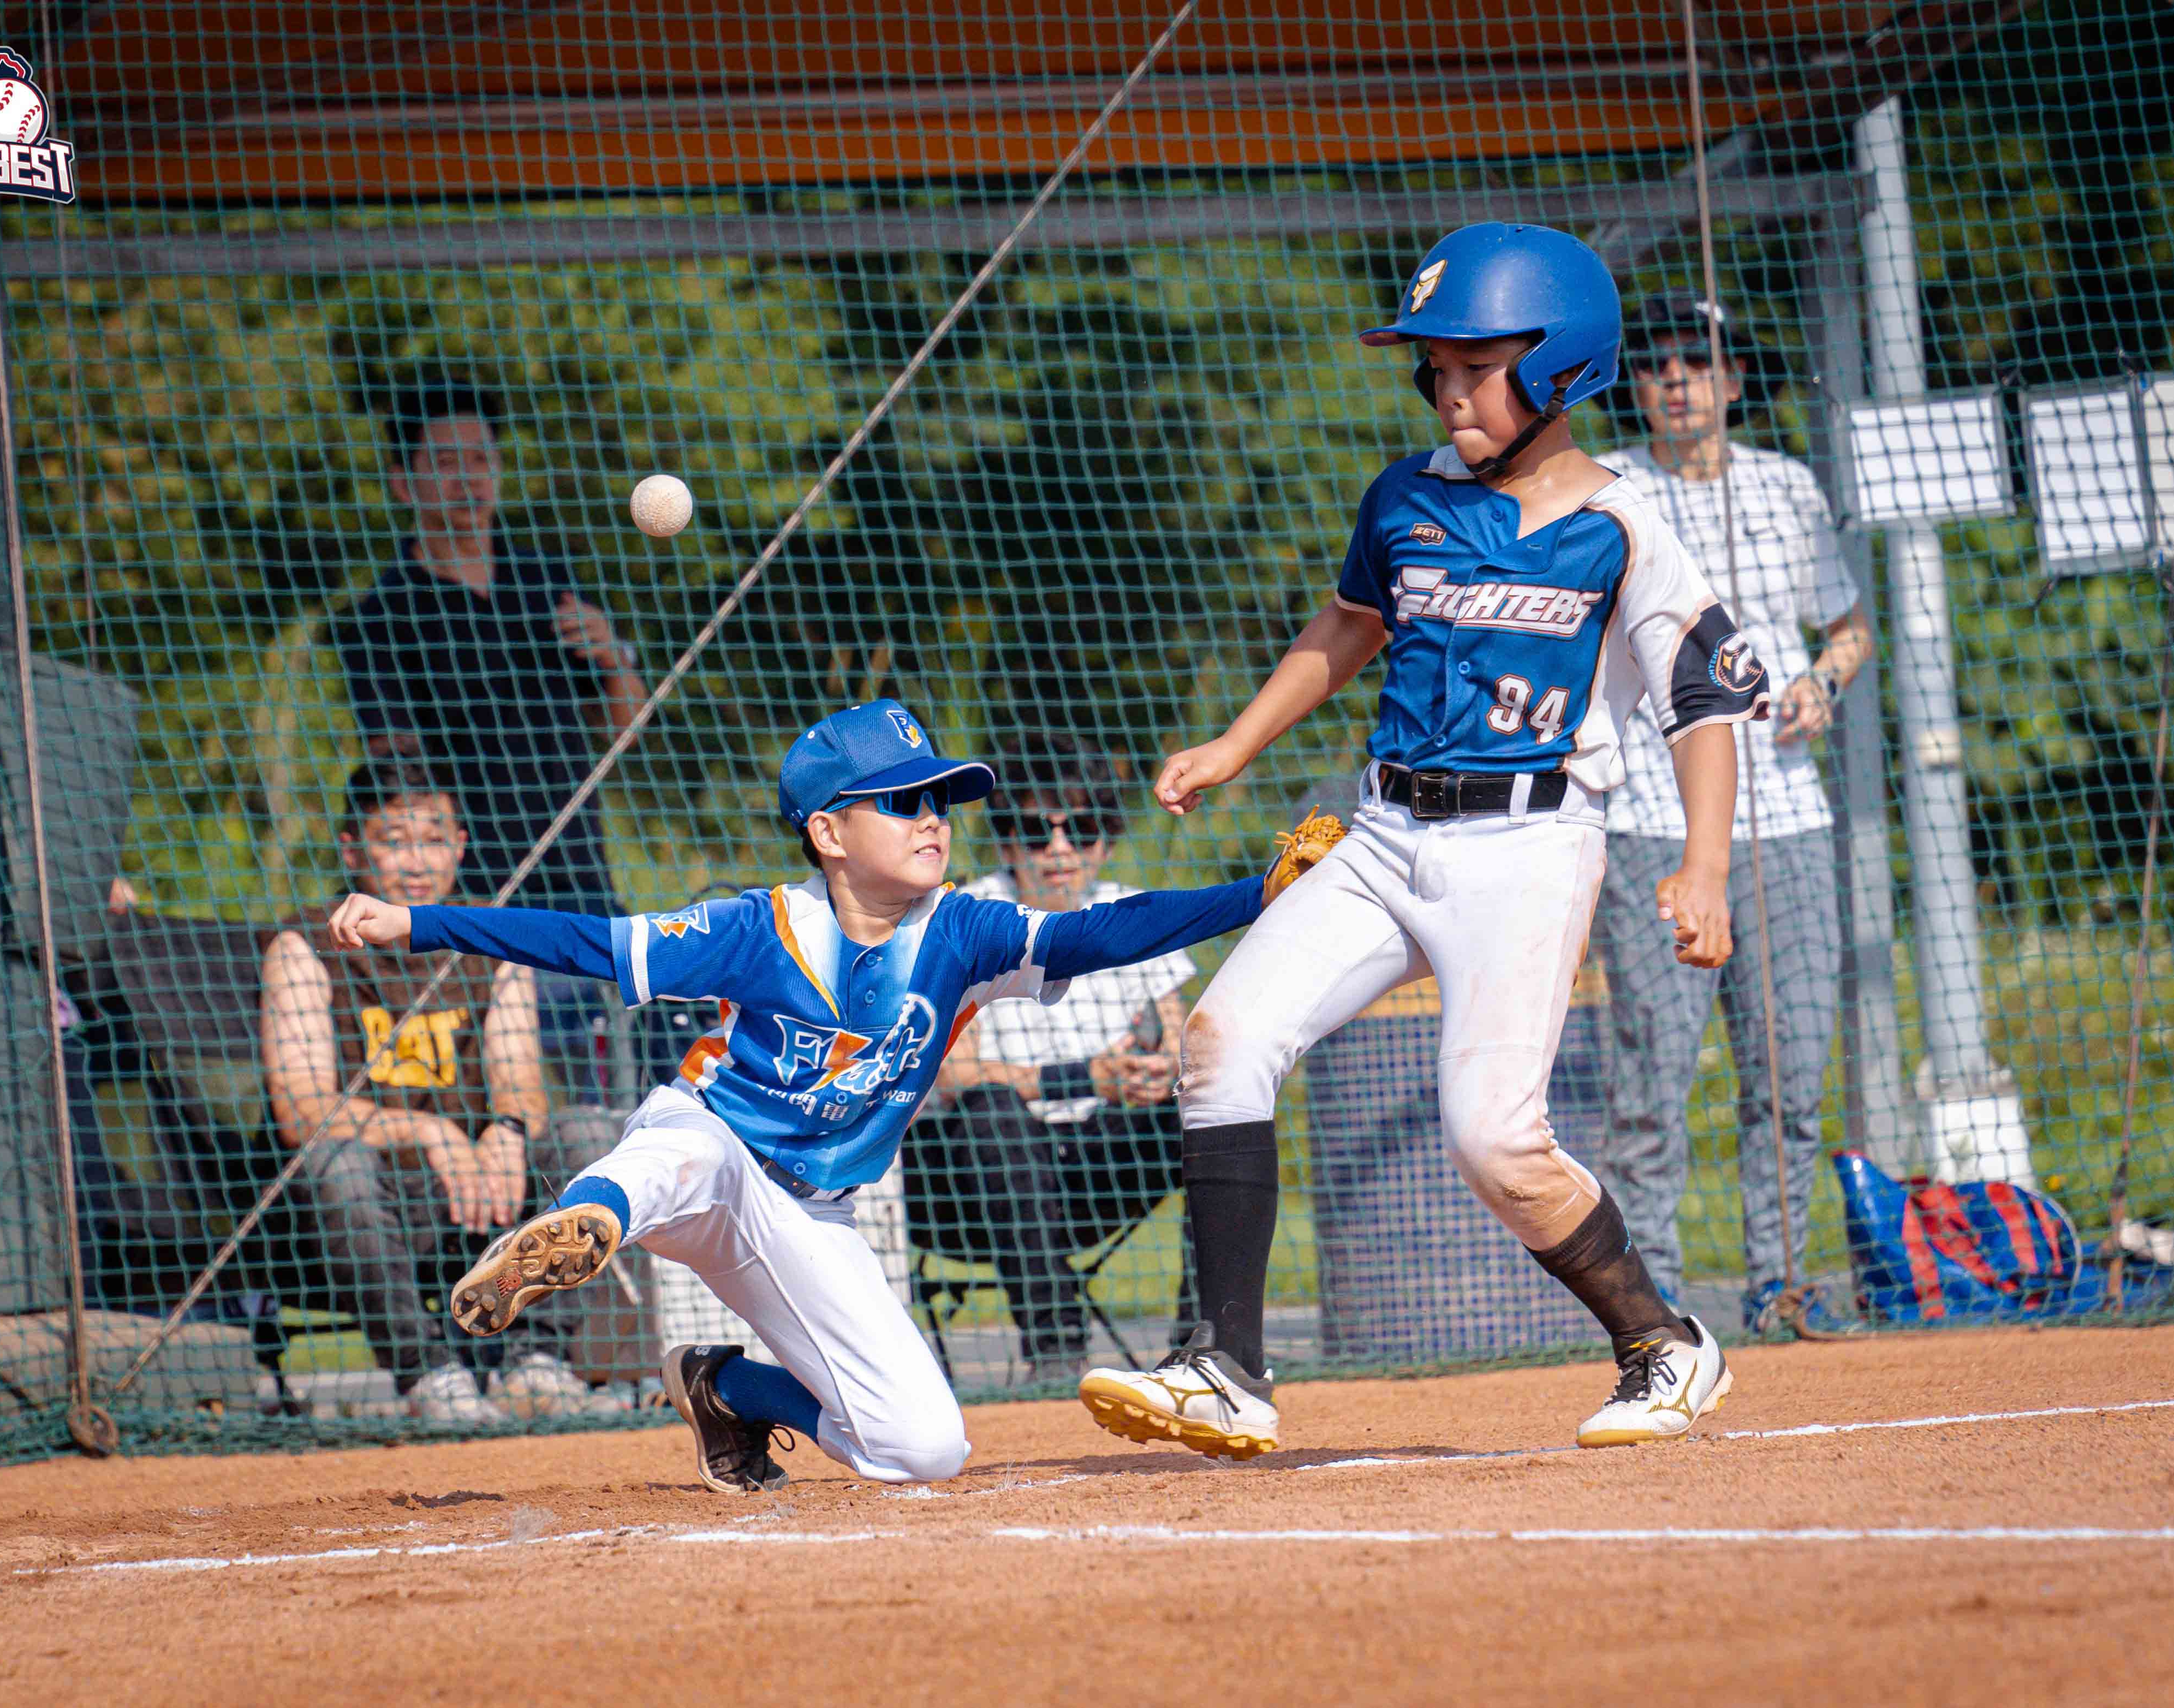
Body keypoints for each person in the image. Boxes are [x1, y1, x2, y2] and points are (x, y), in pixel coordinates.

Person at [1077, 223, 1768, 1460]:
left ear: (1560, 368)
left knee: (1494, 1139)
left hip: (1528, 847)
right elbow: (1349, 627)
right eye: (1435, 368)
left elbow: (1703, 701)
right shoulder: (1406, 495)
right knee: (1221, 1042)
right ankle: (1225, 1368)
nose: (1447, 390)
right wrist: (1235, 744)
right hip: (1385, 832)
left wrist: (1703, 867)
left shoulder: (1619, 525)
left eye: (1476, 368)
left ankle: (1662, 1341)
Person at [325, 700, 1293, 1492]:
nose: (931, 818)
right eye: (901, 801)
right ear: (827, 831)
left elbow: (1107, 931)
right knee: (685, 1149)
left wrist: (1258, 892)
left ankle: (726, 1388)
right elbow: (587, 941)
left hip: (811, 1215)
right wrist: (416, 922)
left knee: (923, 1448)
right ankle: (587, 1217)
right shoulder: (760, 927)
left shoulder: (966, 932)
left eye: (939, 800)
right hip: (707, 1157)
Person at [1594, 294, 1877, 1337]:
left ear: (1733, 379)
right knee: (1651, 1076)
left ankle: (1781, 1279)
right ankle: (1649, 1303)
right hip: (1650, 819)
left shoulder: (1786, 486)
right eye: (1654, 364)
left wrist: (1821, 683)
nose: (1675, 379)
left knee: (1790, 1069)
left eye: (1696, 360)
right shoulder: (1609, 487)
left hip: (1785, 818)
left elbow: (1847, 628)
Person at [261, 761, 623, 1423]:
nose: (416, 862)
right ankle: (429, 1376)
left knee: (589, 1134)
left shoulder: (490, 940)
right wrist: (427, 1131)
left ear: (459, 846)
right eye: (394, 841)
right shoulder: (304, 945)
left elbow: (519, 1077)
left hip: (484, 1189)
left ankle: (537, 1363)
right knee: (336, 1161)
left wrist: (506, 1131)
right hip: (372, 1202)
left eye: (432, 840)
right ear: (353, 851)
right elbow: (301, 1110)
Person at [333, 373, 649, 1097]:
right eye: (445, 463)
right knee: (503, 1095)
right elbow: (397, 773)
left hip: (581, 876)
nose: (467, 480)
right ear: (404, 483)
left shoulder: (546, 578)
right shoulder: (382, 613)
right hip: (477, 896)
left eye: (480, 459)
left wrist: (614, 658)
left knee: (619, 1094)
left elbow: (622, 734)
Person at [912, 732, 1198, 1385]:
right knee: (992, 1112)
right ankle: (1054, 1353)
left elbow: (1178, 1042)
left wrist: (1157, 1074)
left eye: (1083, 829)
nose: (1062, 850)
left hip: (1096, 1173)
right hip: (969, 1186)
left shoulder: (1132, 911)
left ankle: (1202, 1350)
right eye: (1038, 832)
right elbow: (952, 1075)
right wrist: (1085, 1077)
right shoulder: (961, 917)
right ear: (1008, 842)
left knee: (1208, 1107)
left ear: (1107, 839)